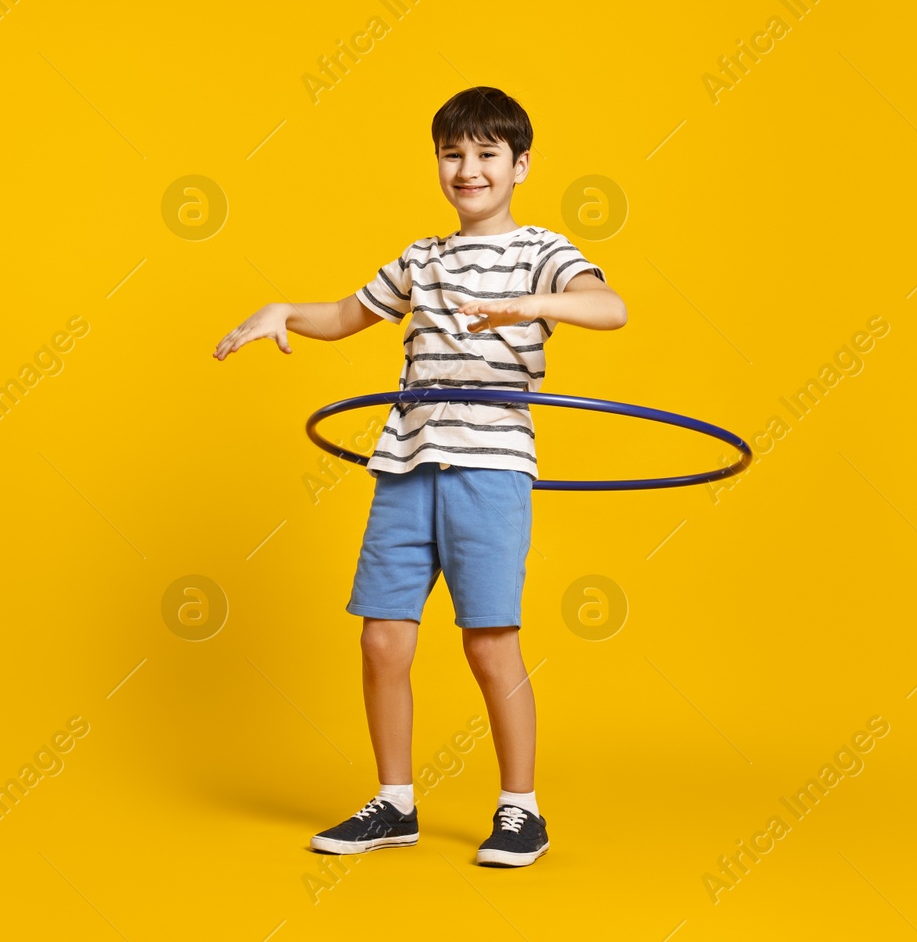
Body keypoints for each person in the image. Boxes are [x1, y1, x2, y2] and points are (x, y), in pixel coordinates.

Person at [212, 86, 626, 867]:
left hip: (491, 467)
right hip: (405, 464)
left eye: (486, 154)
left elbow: (610, 307)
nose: (467, 169)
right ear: (439, 162)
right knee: (382, 641)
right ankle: (394, 803)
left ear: (521, 164)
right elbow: (343, 316)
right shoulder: (422, 259)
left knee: (489, 642)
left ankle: (520, 810)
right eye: (452, 153)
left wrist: (529, 305)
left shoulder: (543, 249)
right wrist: (281, 311)